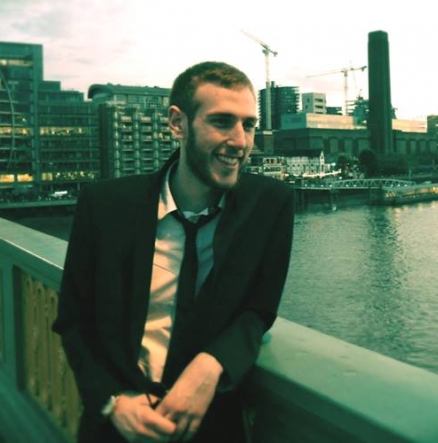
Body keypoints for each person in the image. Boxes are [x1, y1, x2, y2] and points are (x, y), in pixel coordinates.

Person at [53, 61, 295, 442]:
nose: (240, 141)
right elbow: (74, 320)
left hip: (209, 428)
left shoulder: (269, 205)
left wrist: (213, 363)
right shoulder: (104, 206)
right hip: (119, 427)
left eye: (248, 125)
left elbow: (259, 310)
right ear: (177, 124)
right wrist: (113, 401)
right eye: (222, 122)